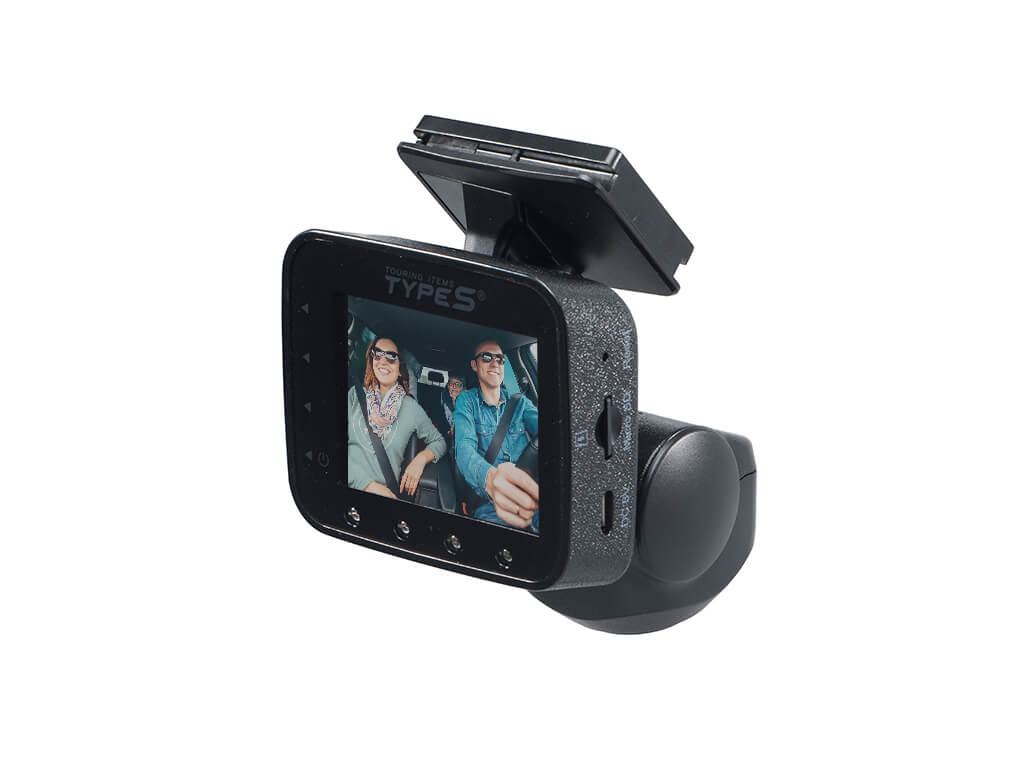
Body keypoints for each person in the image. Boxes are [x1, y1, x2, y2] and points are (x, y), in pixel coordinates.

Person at [454, 339, 540, 530]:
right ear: (474, 365)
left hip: (532, 492)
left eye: (500, 359)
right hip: (489, 503)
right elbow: (464, 448)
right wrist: (492, 480)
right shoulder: (467, 401)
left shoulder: (521, 403)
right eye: (487, 357)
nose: (495, 363)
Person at [347, 337, 446, 499]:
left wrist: (420, 459)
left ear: (400, 369)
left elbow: (440, 442)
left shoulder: (411, 407)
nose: (383, 361)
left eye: (391, 357)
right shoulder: (355, 395)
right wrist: (366, 485)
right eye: (378, 354)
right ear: (372, 360)